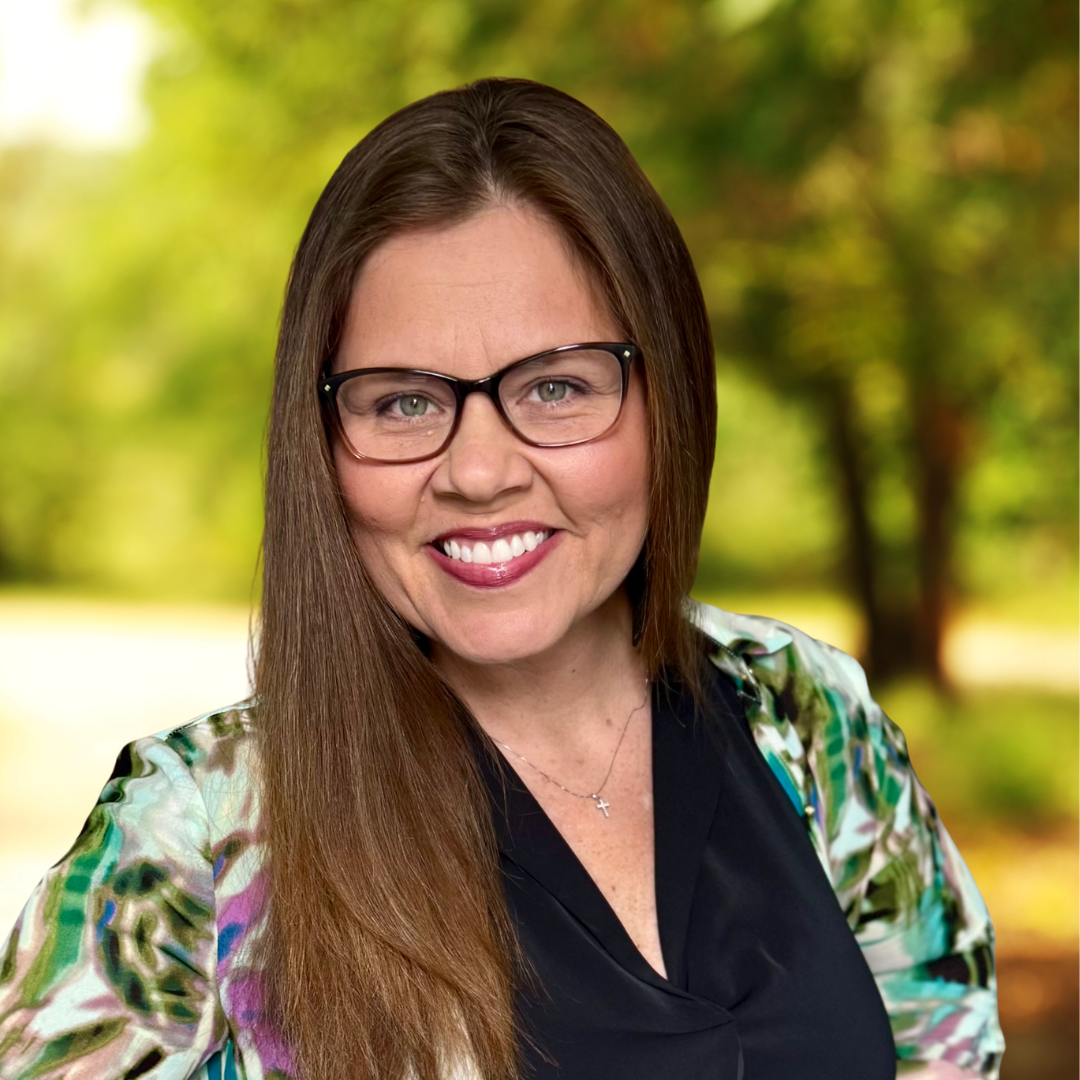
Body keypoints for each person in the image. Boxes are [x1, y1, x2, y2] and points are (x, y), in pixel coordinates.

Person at [0, 78, 1003, 1080]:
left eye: (556, 386)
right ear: (322, 440)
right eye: (400, 404)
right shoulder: (192, 833)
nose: (479, 471)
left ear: (669, 397)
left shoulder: (812, 718)